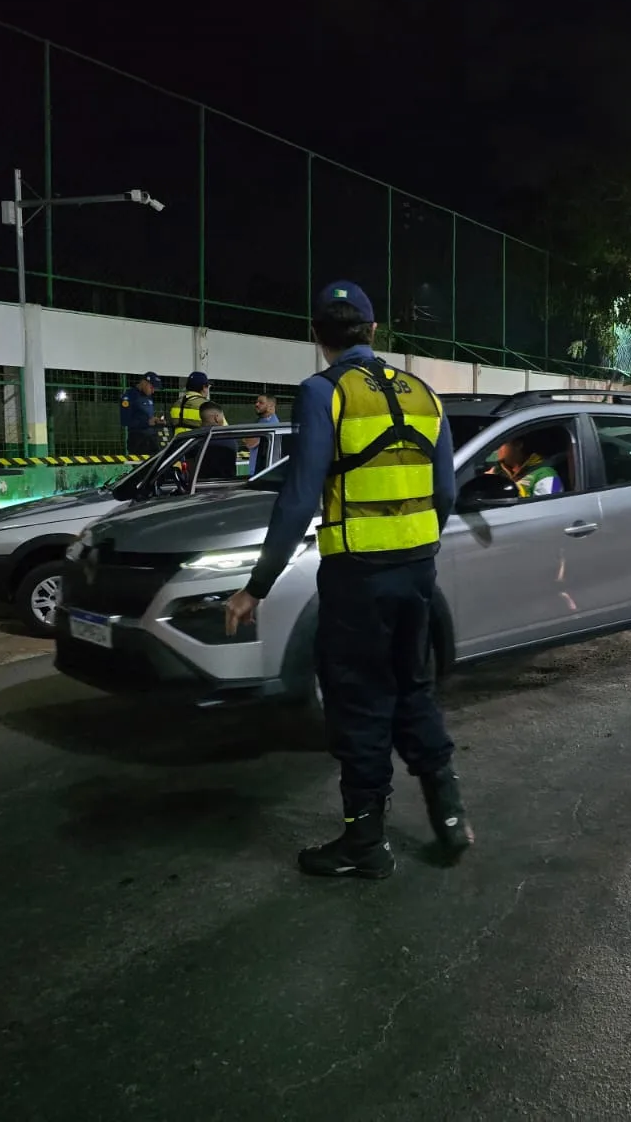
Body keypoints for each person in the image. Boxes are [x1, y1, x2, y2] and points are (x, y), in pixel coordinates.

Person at [223, 280, 464, 880]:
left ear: (317, 336)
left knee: (360, 702)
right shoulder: (425, 395)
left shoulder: (323, 391)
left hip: (357, 578)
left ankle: (365, 844)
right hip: (416, 575)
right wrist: (418, 547)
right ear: (374, 331)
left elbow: (300, 495)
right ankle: (451, 817)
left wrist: (258, 584)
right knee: (413, 687)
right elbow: (447, 492)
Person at [489, 434, 562, 496]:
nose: (497, 450)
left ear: (518, 444)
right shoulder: (497, 471)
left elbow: (549, 507)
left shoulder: (547, 474)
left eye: (501, 444)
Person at [119, 372, 165, 457]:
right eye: (152, 387)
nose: (153, 391)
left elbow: (147, 417)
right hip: (138, 442)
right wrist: (147, 422)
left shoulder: (148, 396)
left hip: (152, 440)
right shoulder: (129, 396)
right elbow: (125, 421)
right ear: (144, 383)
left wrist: (156, 421)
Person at [194, 402, 239, 480]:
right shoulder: (229, 439)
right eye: (223, 417)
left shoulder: (193, 439)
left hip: (198, 486)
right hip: (226, 486)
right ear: (216, 418)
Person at [245, 393, 280, 476]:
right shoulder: (261, 421)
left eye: (261, 402)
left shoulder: (271, 424)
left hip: (262, 474)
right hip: (257, 472)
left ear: (271, 406)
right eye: (257, 402)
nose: (256, 404)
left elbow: (249, 443)